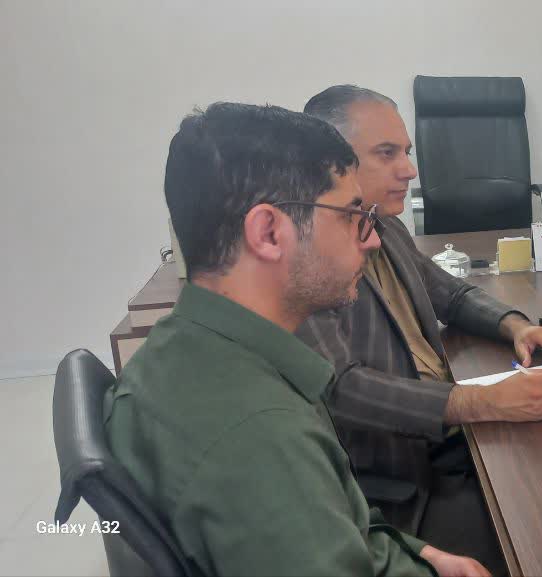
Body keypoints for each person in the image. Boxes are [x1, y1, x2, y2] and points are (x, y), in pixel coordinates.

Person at [105, 102, 486, 575]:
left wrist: (419, 554)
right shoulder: (258, 436)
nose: (371, 239)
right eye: (350, 215)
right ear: (268, 232)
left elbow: (339, 517)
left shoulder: (190, 345)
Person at [295, 85, 542, 572]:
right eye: (387, 153)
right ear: (330, 163)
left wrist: (515, 326)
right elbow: (341, 389)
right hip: (402, 482)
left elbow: (452, 293)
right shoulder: (311, 262)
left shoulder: (385, 226)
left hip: (452, 436)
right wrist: (478, 402)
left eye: (407, 152)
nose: (410, 170)